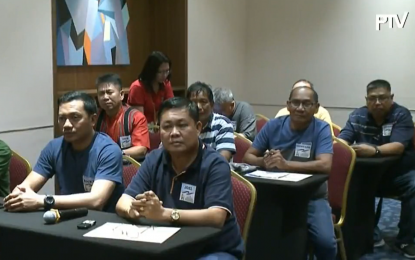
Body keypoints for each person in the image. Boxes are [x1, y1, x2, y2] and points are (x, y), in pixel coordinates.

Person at [116, 97, 244, 260]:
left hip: (212, 249)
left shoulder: (215, 163)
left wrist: (164, 214)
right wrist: (134, 210)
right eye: (167, 127)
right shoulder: (154, 159)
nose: (174, 133)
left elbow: (216, 217)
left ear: (198, 128)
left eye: (182, 125)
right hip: (168, 246)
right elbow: (123, 201)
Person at [243, 87, 337, 259]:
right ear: (288, 105)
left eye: (307, 104)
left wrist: (286, 164)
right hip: (274, 195)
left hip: (311, 196)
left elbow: (325, 165)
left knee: (326, 244)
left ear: (316, 107)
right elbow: (248, 156)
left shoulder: (321, 128)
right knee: (257, 236)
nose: (300, 108)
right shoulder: (273, 125)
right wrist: (263, 161)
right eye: (296, 102)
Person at [3, 91, 124, 213]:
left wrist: (42, 201)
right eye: (62, 118)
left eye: (75, 117)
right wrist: (18, 195)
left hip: (104, 222)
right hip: (66, 216)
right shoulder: (54, 147)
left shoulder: (108, 151)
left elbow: (96, 200)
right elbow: (25, 187)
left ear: (93, 120)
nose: (66, 125)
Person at [338, 79, 415, 257]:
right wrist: (343, 146)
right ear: (366, 99)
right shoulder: (357, 115)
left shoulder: (401, 115)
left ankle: (405, 240)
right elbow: (343, 140)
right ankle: (367, 234)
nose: (377, 102)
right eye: (372, 98)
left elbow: (398, 146)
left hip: (398, 174)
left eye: (382, 98)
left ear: (391, 98)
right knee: (347, 185)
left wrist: (374, 150)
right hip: (367, 175)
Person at [96, 73, 150, 159]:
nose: (105, 97)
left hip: (128, 165)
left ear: (121, 95)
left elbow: (141, 149)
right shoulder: (94, 117)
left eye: (109, 92)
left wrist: (113, 154)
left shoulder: (136, 117)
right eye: (101, 93)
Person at [187, 82, 236, 162]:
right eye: (193, 102)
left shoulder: (222, 124)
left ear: (212, 105)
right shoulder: (182, 124)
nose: (198, 106)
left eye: (203, 101)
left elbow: (222, 160)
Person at [127, 51, 174, 125]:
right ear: (151, 71)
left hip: (161, 126)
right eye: (160, 72)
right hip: (143, 128)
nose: (164, 75)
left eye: (167, 71)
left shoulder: (166, 83)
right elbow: (138, 120)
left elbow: (171, 108)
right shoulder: (137, 87)